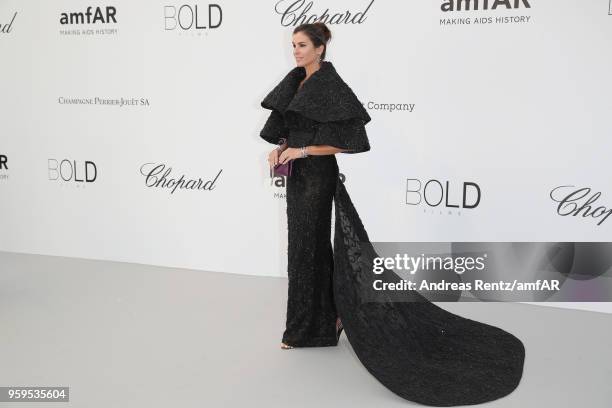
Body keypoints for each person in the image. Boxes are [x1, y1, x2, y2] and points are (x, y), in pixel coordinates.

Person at [259, 22, 525, 407]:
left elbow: (349, 142)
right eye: (293, 45)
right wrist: (280, 149)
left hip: (317, 175)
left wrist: (302, 152)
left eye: (302, 45)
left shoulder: (331, 85)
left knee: (308, 248)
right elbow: (290, 128)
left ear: (320, 48)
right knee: (305, 250)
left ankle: (311, 327)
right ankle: (320, 323)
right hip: (297, 177)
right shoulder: (294, 81)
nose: (295, 51)